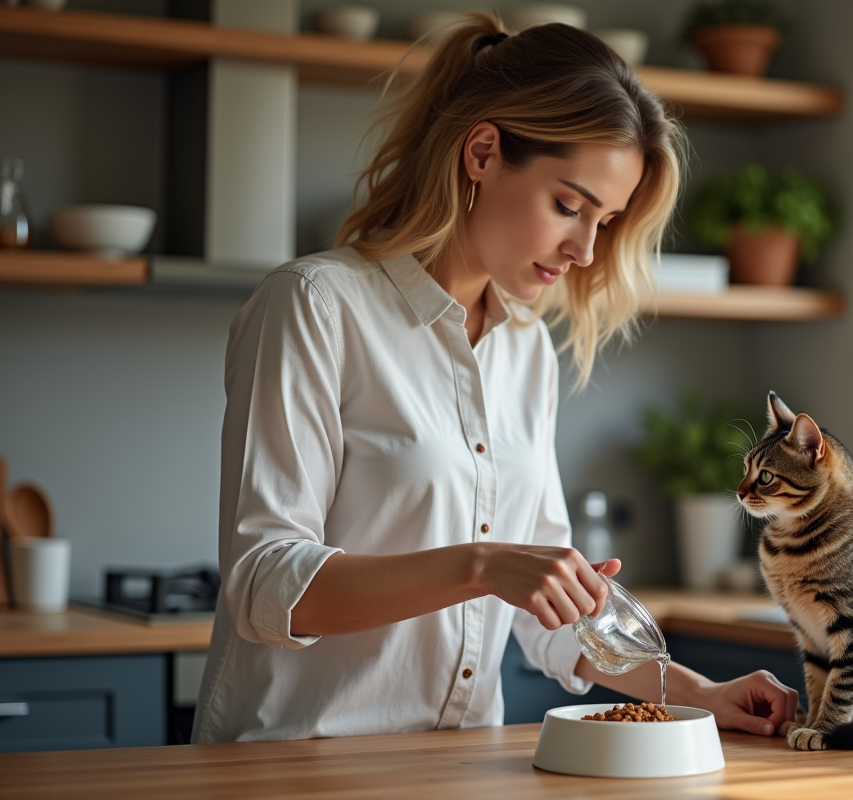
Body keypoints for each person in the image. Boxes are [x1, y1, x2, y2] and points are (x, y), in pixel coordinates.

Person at [191, 12, 799, 744]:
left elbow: (552, 611)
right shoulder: (316, 306)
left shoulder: (526, 348)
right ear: (482, 152)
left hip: (458, 771)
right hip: (295, 768)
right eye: (568, 206)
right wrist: (482, 566)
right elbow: (264, 583)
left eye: (605, 222)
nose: (585, 250)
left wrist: (702, 694)